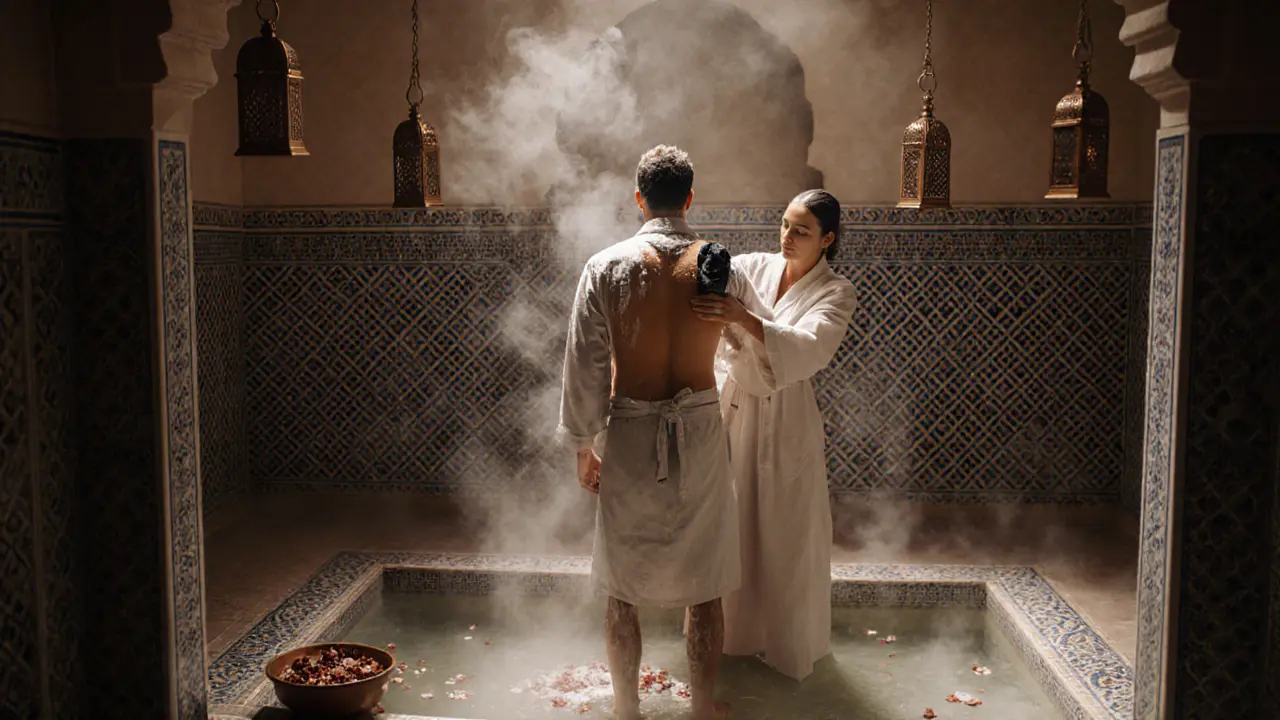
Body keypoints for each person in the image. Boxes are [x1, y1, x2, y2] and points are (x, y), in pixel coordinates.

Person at [557, 145, 767, 719]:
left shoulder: (607, 266)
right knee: (705, 585)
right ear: (691, 198)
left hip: (629, 429)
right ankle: (702, 710)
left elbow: (586, 366)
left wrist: (582, 444)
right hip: (699, 428)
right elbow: (753, 344)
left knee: (622, 584)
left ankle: (627, 710)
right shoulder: (720, 262)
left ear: (638, 197)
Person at [690, 189, 857, 682]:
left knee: (785, 531)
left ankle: (785, 644)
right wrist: (705, 263)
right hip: (735, 408)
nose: (788, 236)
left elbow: (810, 347)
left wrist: (743, 317)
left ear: (827, 239)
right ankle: (729, 638)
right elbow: (720, 272)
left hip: (786, 419)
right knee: (730, 523)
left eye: (802, 230)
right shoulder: (756, 265)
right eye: (785, 225)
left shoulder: (837, 292)